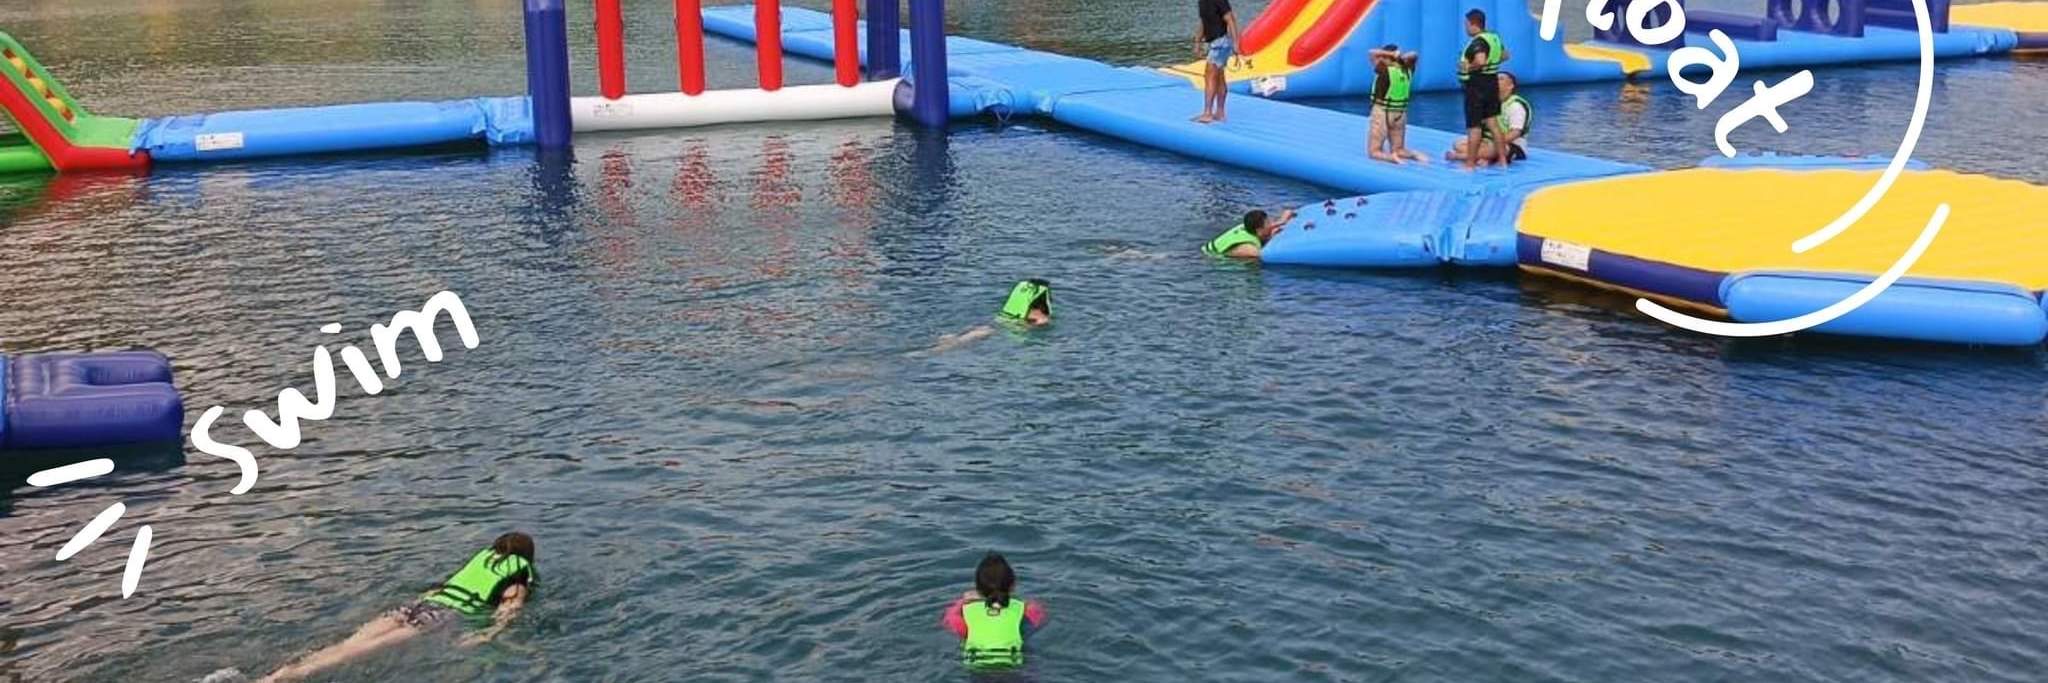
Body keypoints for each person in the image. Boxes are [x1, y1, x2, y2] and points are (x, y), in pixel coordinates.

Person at [254, 533, 538, 683]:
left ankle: (278, 675)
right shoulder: (517, 579)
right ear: (526, 557)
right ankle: (293, 677)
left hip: (415, 605)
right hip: (438, 616)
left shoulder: (482, 560)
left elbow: (440, 589)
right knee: (355, 653)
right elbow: (508, 611)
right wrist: (486, 636)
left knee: (349, 643)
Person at [942, 552, 1048, 670]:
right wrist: (1017, 600)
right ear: (1013, 585)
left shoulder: (966, 613)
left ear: (977, 588)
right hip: (1013, 669)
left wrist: (962, 601)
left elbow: (948, 620)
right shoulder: (1023, 610)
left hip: (978, 671)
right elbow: (1039, 613)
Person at [924, 280, 1053, 353]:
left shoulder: (1017, 308)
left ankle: (941, 343)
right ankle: (923, 354)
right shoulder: (1041, 316)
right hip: (995, 331)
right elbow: (1033, 328)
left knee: (958, 339)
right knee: (952, 346)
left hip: (989, 323)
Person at [1457, 9, 1511, 170]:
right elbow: (1506, 55)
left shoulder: (1478, 42)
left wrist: (1468, 67)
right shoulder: (1494, 38)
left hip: (1477, 86)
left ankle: (1470, 164)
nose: (1465, 28)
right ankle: (1503, 161)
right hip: (1491, 83)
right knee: (1493, 123)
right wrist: (1492, 63)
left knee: (1474, 126)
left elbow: (1480, 61)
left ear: (1474, 24)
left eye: (1466, 25)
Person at [1449, 72, 1531, 166]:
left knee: (1496, 149)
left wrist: (1495, 142)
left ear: (1510, 86)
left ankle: (1461, 156)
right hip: (1489, 141)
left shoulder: (1516, 105)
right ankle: (1485, 157)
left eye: (1501, 79)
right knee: (1458, 144)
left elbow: (1515, 133)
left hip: (1513, 145)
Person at [1366, 44, 1428, 165]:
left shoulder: (1384, 69)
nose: (1380, 59)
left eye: (1383, 57)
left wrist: (1390, 54)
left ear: (1388, 58)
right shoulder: (1408, 70)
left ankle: (1391, 158)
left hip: (1382, 113)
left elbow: (1371, 52)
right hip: (1400, 114)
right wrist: (1398, 56)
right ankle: (1413, 154)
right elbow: (1414, 54)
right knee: (1399, 149)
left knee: (1373, 151)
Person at [1192, 0, 1242, 124]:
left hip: (1221, 42)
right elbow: (1204, 22)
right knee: (1219, 76)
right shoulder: (1202, 2)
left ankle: (1208, 113)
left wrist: (1236, 44)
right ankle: (1219, 112)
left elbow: (1230, 19)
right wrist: (1197, 42)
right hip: (1216, 42)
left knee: (1210, 75)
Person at [1202, 208, 1295, 260]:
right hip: (1207, 259)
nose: (1271, 224)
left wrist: (1284, 218)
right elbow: (1265, 255)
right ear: (1259, 230)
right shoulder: (1248, 248)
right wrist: (1272, 237)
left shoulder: (1248, 226)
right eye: (1268, 223)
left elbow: (1267, 229)